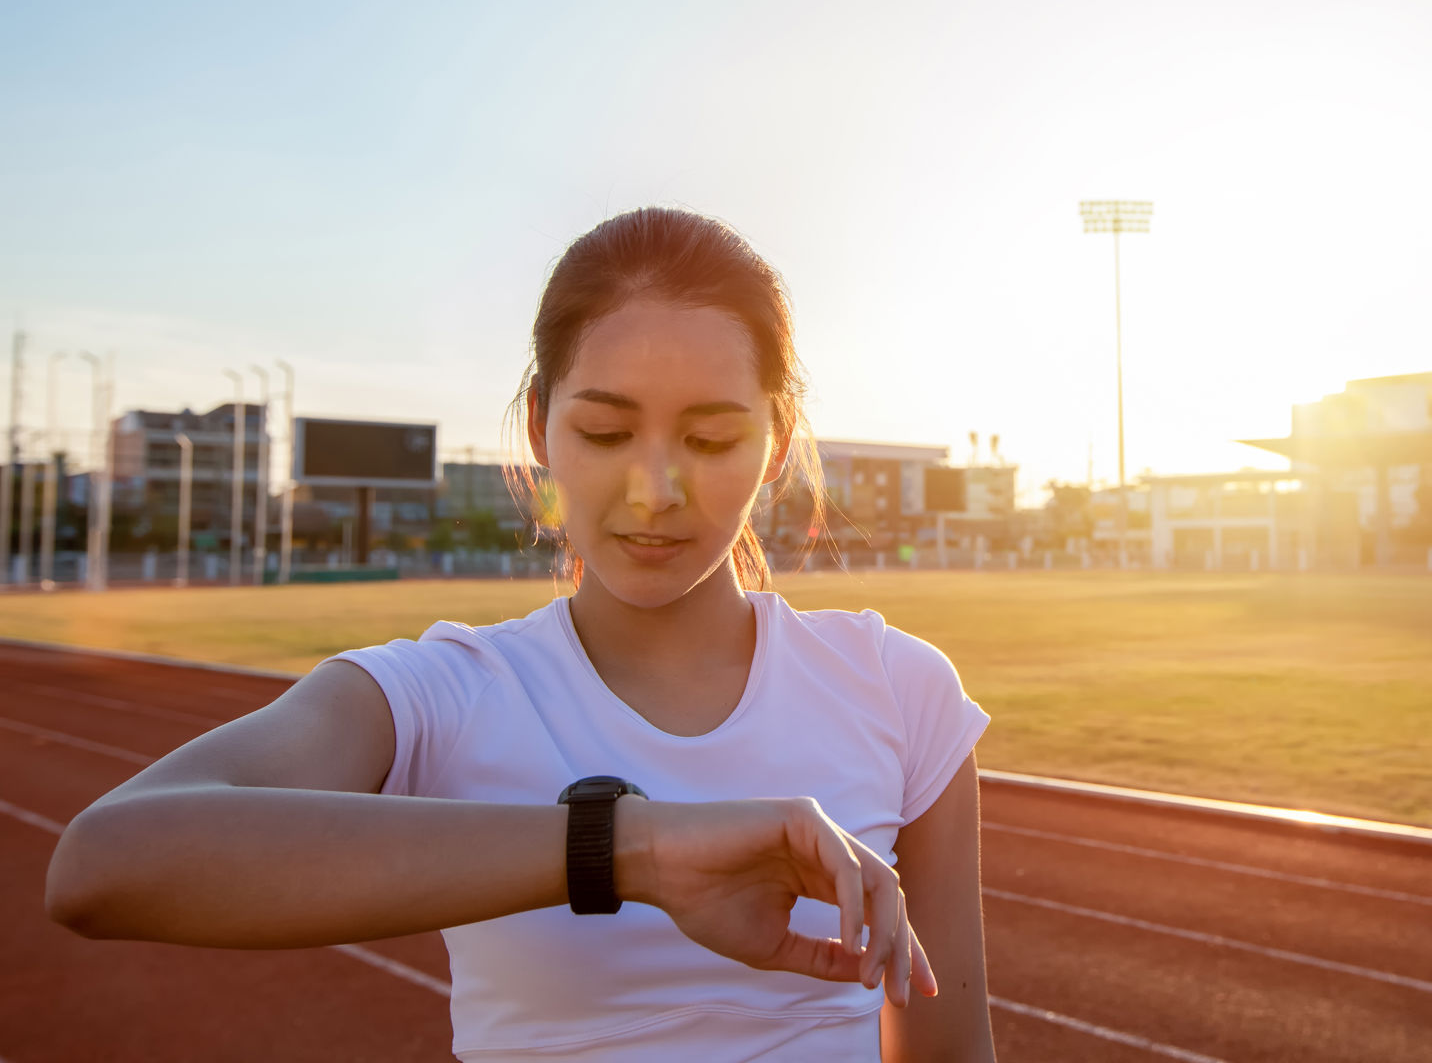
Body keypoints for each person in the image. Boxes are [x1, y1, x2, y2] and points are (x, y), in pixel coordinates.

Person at [45, 207, 997, 1062]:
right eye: (606, 432)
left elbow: (949, 1049)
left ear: (777, 443)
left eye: (710, 440)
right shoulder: (443, 693)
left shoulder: (900, 690)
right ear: (541, 427)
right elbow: (105, 863)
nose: (654, 490)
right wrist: (630, 850)